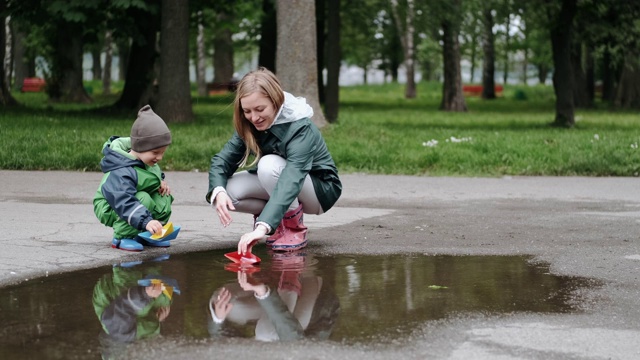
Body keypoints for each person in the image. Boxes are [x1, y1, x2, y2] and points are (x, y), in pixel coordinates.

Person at [206, 67, 342, 254]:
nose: (254, 117)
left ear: (276, 101)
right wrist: (218, 191)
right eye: (247, 111)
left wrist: (261, 229)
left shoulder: (300, 126)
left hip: (318, 191)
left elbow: (292, 177)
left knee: (268, 165)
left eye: (260, 109)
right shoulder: (249, 123)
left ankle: (293, 228)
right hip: (280, 181)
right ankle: (273, 220)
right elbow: (222, 160)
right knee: (224, 193)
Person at [94, 105, 174, 252]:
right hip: (112, 204)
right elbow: (123, 199)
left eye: (163, 152)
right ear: (140, 147)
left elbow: (153, 174)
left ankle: (149, 233)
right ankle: (122, 237)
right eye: (156, 152)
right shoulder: (122, 169)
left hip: (132, 201)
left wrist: (160, 182)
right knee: (143, 198)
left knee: (163, 197)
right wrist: (145, 220)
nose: (160, 157)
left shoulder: (146, 160)